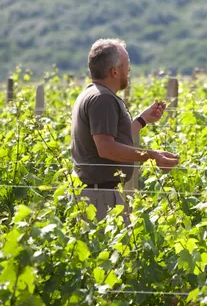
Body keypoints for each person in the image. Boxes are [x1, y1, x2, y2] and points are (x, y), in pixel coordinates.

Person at [70, 38, 179, 223]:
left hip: (96, 194)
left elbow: (110, 136)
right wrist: (153, 156)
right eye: (126, 66)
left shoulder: (92, 93)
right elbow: (106, 148)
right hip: (100, 198)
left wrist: (142, 120)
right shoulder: (102, 99)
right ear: (114, 71)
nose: (129, 71)